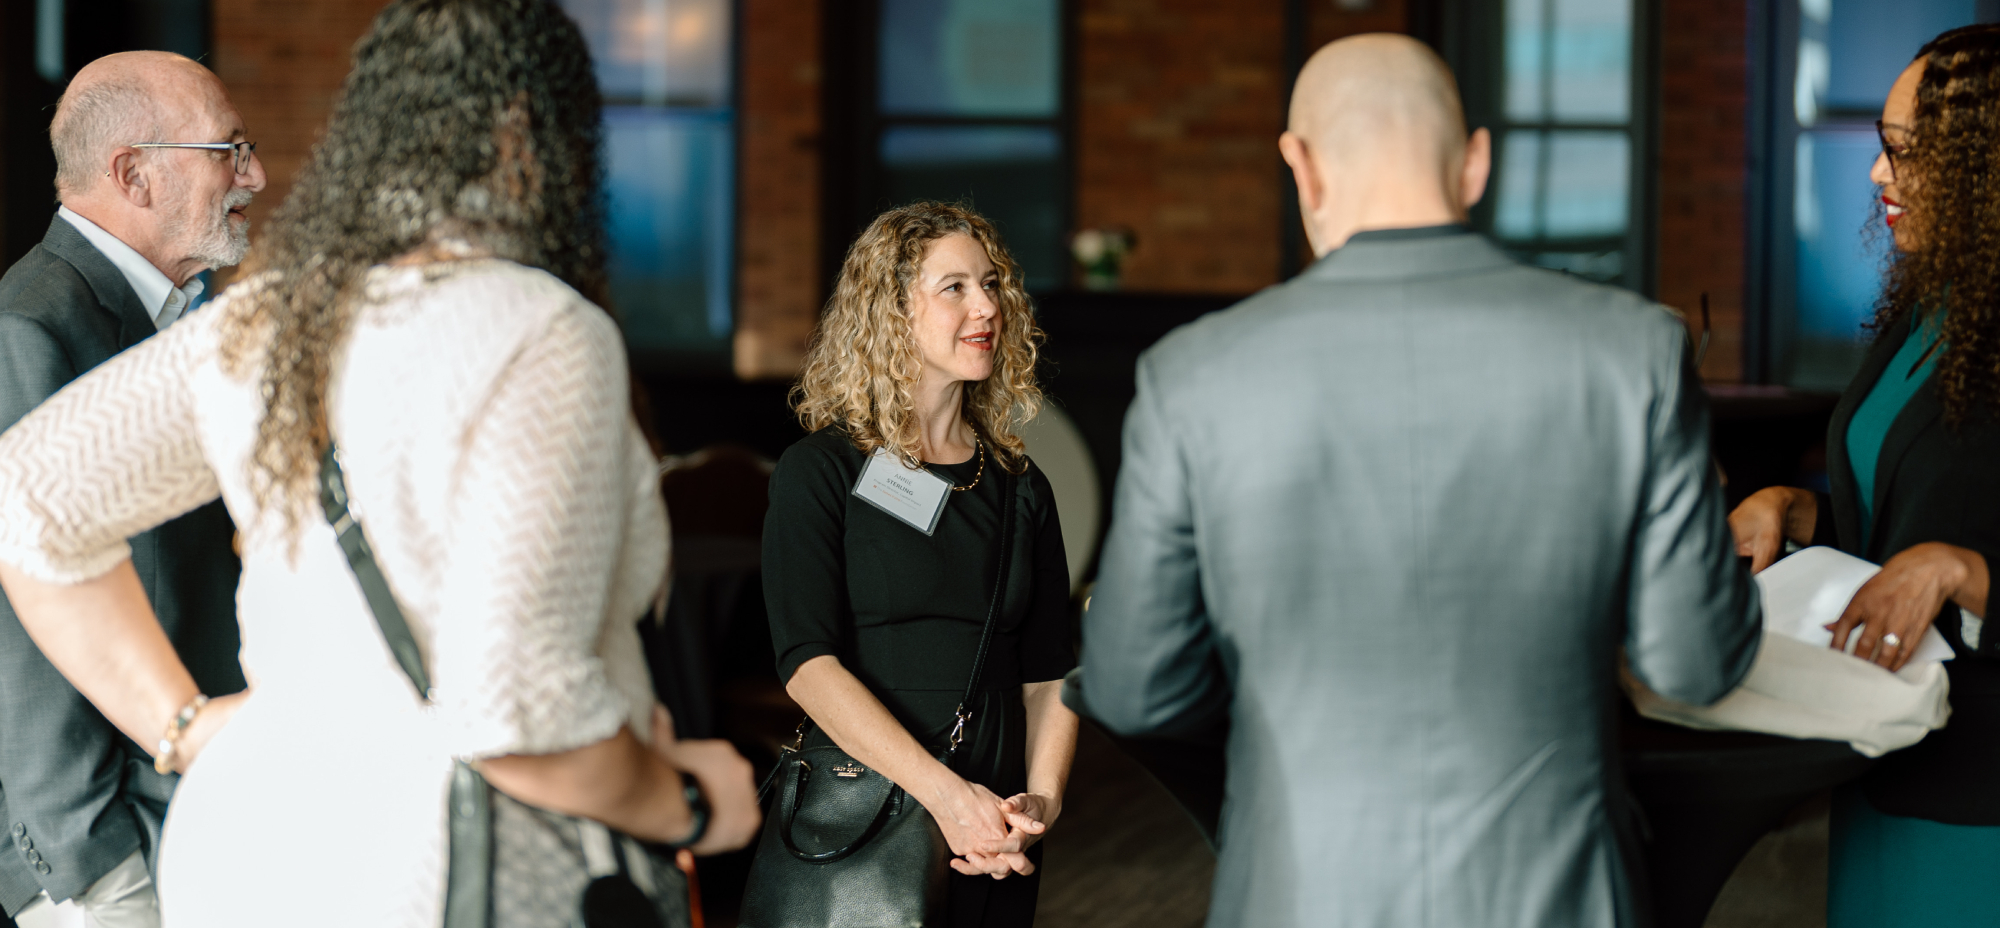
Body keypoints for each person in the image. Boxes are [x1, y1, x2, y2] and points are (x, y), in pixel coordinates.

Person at [0, 2, 759, 927]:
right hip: (447, 875)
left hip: (250, 862)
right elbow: (512, 714)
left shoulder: (267, 321)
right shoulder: (545, 330)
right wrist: (686, 797)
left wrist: (184, 725)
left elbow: (27, 494)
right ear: (526, 128)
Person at [1072, 34, 1761, 928]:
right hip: (1561, 896)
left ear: (1300, 166)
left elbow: (1134, 686)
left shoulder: (1194, 374)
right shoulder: (1633, 351)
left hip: (1299, 891)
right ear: (1476, 162)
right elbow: (1697, 663)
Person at [1729, 25, 2000, 927]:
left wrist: (1965, 572)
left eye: (1909, 154)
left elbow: (1945, 555)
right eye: (1883, 149)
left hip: (1984, 798)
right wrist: (1801, 511)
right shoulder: (1932, 304)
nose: (1881, 177)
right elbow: (1902, 527)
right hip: (1887, 753)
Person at [756, 201, 1080, 925]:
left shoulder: (1020, 486)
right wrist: (944, 795)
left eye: (992, 284)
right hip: (869, 803)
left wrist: (1040, 803)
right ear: (890, 310)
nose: (987, 306)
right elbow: (807, 663)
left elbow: (1048, 675)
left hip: (997, 823)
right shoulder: (822, 471)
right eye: (955, 287)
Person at [0, 50, 260, 928]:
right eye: (229, 149)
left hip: (198, 815)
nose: (254, 176)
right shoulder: (28, 330)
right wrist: (89, 872)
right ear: (132, 173)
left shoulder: (193, 316)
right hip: (105, 859)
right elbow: (20, 626)